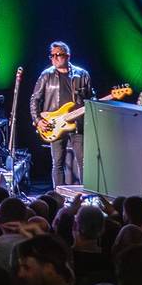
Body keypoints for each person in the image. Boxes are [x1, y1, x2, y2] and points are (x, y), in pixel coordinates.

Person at [30, 40, 94, 186]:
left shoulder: (82, 74)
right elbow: (34, 99)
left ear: (67, 56)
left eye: (58, 55)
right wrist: (38, 120)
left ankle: (86, 194)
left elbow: (90, 98)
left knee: (84, 162)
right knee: (57, 163)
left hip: (78, 124)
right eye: (52, 55)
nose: (54, 58)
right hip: (54, 125)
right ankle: (58, 195)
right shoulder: (46, 75)